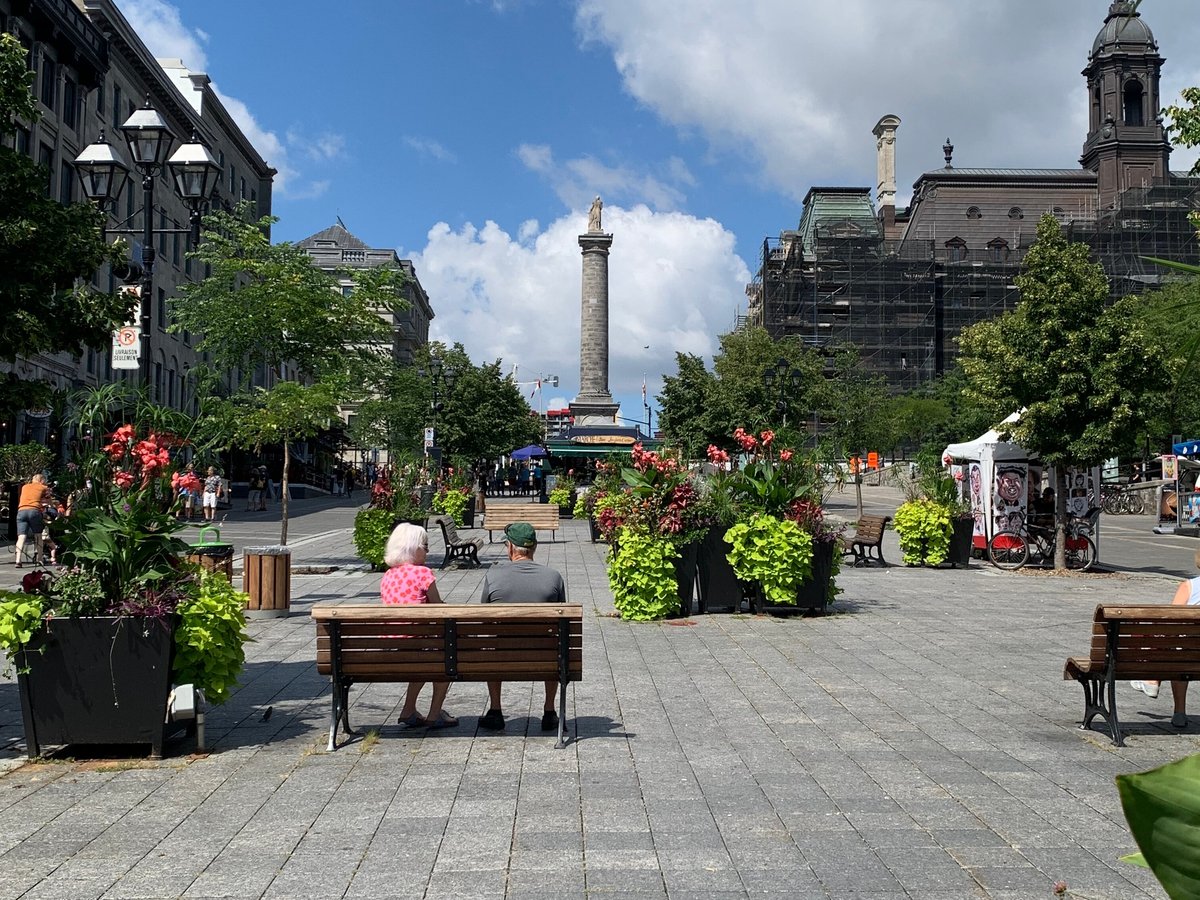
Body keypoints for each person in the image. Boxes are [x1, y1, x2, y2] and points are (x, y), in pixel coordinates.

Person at [477, 522, 566, 732]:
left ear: (510, 548)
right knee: (554, 645)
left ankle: (496, 710)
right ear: (534, 547)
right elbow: (561, 621)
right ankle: (549, 711)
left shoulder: (493, 575)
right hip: (543, 657)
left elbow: (484, 619)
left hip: (502, 657)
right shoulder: (553, 577)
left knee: (492, 645)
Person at [382, 523, 457, 729]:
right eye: (424, 545)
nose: (427, 549)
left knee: (425, 655)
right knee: (447, 658)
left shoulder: (388, 575)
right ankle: (434, 714)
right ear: (411, 547)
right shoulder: (423, 573)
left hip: (395, 649)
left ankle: (408, 709)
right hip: (419, 646)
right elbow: (438, 608)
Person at [1132, 549, 1200, 729]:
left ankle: (1156, 684)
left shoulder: (1190, 587)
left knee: (1176, 647)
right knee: (1181, 648)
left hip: (1189, 656)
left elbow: (1171, 623)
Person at [15, 473, 53, 568]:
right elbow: (49, 502)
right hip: (34, 511)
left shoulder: (25, 487)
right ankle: (39, 559)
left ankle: (18, 560)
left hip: (21, 511)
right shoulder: (43, 487)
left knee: (21, 537)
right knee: (38, 535)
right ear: (41, 480)